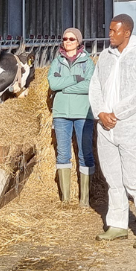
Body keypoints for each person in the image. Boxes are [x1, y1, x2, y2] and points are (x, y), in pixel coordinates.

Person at [89, 14, 136, 248]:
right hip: (106, 126)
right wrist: (100, 112)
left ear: (126, 33)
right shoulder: (105, 56)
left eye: (114, 31)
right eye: (109, 30)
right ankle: (118, 224)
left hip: (129, 124)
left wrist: (116, 112)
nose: (110, 35)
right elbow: (95, 85)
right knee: (113, 178)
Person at [47, 27, 96, 205]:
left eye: (71, 39)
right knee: (63, 154)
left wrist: (64, 87)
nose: (67, 42)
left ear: (79, 42)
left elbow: (90, 86)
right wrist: (76, 79)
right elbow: (53, 83)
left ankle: (84, 199)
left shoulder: (88, 62)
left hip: (83, 113)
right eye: (65, 39)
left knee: (85, 153)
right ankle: (65, 199)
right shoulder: (57, 61)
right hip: (61, 114)